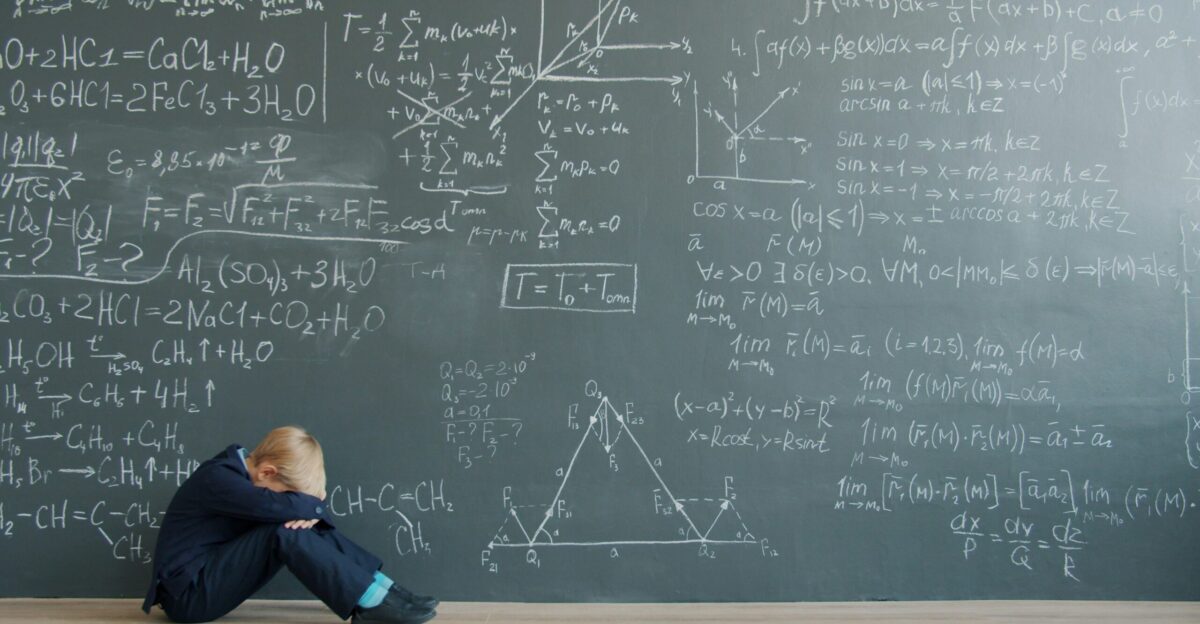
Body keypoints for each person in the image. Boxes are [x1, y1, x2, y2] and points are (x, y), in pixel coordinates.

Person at [142, 426, 437, 623]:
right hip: (188, 597)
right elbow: (278, 508)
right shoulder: (220, 479)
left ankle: (383, 590)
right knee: (282, 531)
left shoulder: (244, 473)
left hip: (206, 578)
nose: (288, 501)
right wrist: (316, 504)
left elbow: (289, 508)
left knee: (294, 525)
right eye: (288, 495)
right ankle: (370, 602)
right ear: (267, 472)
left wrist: (310, 509)